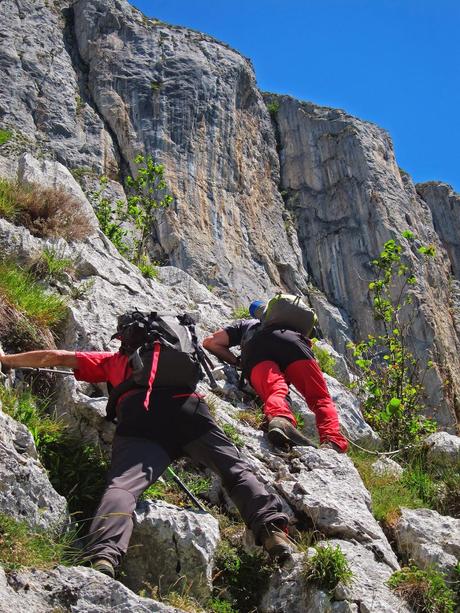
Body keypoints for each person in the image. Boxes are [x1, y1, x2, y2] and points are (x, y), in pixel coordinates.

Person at [0, 325, 296, 578]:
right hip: (189, 410)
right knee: (234, 470)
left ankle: (104, 555)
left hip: (139, 419)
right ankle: (273, 531)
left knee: (124, 487)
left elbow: (57, 357)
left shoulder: (114, 361)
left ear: (124, 341)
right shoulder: (177, 359)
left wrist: (7, 360)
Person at [203, 300, 349, 453]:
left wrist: (239, 362)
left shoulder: (247, 325)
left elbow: (211, 342)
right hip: (293, 343)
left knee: (275, 390)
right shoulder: (290, 327)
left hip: (255, 347)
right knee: (319, 398)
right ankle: (332, 441)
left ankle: (280, 419)